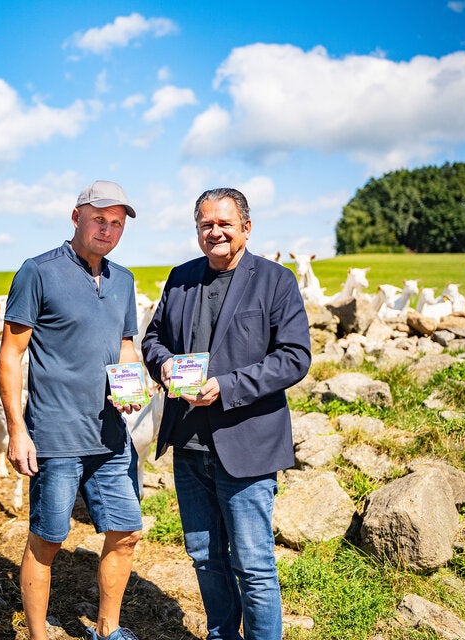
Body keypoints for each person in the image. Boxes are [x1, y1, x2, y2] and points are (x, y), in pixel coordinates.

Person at [141, 187, 311, 640]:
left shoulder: (276, 280)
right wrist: (164, 364)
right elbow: (152, 338)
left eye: (224, 224)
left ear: (246, 228)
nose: (214, 232)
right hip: (190, 442)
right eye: (205, 224)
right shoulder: (180, 278)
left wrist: (227, 386)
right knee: (204, 556)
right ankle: (222, 635)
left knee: (253, 564)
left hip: (247, 443)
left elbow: (294, 357)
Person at [0, 180, 144, 640]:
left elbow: (124, 345)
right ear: (76, 215)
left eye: (117, 223)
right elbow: (10, 354)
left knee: (127, 532)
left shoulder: (123, 279)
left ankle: (107, 630)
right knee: (48, 540)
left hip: (111, 436)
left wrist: (134, 383)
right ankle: (39, 635)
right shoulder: (38, 271)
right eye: (100, 219)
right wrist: (17, 430)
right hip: (55, 435)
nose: (108, 229)